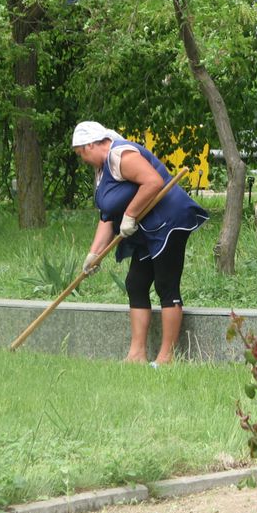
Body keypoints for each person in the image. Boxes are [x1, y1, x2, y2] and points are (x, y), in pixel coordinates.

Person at [71, 121, 209, 366]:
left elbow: (153, 182)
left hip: (168, 223)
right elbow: (106, 216)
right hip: (145, 230)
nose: (82, 159)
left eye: (82, 153)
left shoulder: (121, 154)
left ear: (91, 144)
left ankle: (167, 358)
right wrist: (94, 254)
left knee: (166, 285)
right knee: (135, 284)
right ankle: (136, 355)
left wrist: (131, 214)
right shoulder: (102, 170)